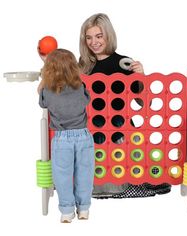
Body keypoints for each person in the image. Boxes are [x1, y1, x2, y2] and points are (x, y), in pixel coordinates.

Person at [78, 13, 171, 199]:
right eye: (89, 37)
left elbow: (145, 104)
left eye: (99, 36)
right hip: (90, 129)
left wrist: (141, 76)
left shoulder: (123, 63)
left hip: (118, 129)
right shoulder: (83, 65)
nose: (94, 42)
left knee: (121, 170)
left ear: (108, 36)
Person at [38, 49, 95, 223]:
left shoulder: (47, 91)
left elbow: (42, 102)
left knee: (62, 175)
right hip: (84, 136)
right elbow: (87, 99)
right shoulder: (80, 88)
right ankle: (84, 209)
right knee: (85, 174)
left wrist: (42, 81)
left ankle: (67, 211)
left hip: (62, 138)